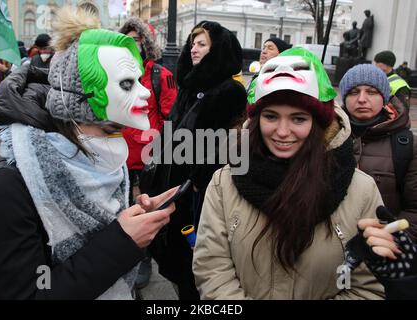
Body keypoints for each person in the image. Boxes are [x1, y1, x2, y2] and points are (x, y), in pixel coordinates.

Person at [0, 7, 177, 300]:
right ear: (86, 96)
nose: (145, 92)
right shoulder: (7, 187)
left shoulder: (108, 161)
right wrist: (123, 241)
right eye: (128, 84)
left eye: (139, 80)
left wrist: (134, 217)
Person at [193, 47, 385, 299]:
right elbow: (212, 268)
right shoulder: (224, 182)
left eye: (298, 119)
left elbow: (365, 286)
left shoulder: (362, 190)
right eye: (271, 116)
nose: (282, 132)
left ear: (318, 124)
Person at [147, 21, 247, 300]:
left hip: (198, 195)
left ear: (218, 49)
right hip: (173, 187)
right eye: (193, 43)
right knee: (176, 260)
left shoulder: (230, 91)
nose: (194, 48)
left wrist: (197, 183)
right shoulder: (189, 87)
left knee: (196, 263)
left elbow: (225, 148)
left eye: (202, 43)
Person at [119, 17, 177, 290]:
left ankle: (144, 257)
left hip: (148, 158)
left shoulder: (160, 75)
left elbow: (170, 119)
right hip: (118, 156)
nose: (132, 45)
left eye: (136, 40)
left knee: (144, 208)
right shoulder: (116, 72)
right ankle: (125, 255)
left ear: (146, 44)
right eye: (126, 40)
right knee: (121, 208)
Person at [339, 64, 417, 240]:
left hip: (381, 249)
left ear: (384, 98)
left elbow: (414, 211)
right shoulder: (328, 137)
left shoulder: (408, 146)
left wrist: (393, 239)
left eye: (372, 92)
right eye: (353, 92)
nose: (362, 99)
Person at [247, 37, 291, 104]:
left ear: (281, 54)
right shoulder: (257, 75)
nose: (264, 51)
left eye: (270, 48)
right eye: (263, 48)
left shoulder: (281, 80)